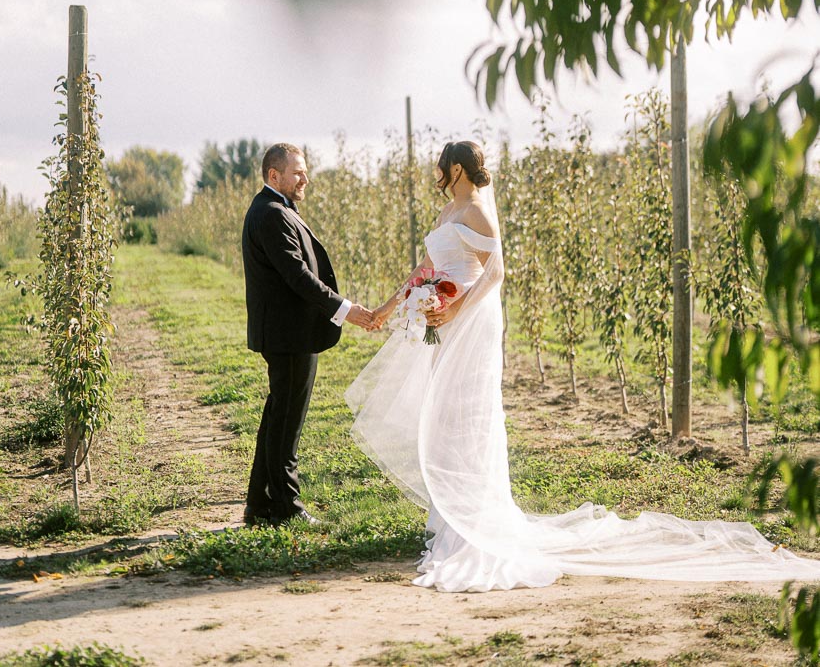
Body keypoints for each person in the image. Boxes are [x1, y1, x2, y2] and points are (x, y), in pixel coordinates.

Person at [346, 139, 820, 592]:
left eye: (440, 166)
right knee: (445, 412)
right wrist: (390, 307)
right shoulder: (448, 210)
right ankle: (453, 513)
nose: (436, 174)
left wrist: (455, 307)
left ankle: (476, 521)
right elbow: (426, 267)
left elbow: (497, 271)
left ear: (455, 169)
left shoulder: (476, 209)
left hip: (470, 316)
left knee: (467, 412)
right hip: (445, 316)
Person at [242, 142, 374, 527]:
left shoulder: (275, 209)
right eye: (298, 172)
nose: (305, 179)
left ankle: (260, 504)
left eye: (304, 171)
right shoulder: (271, 214)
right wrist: (346, 310)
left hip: (288, 333)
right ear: (274, 175)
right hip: (289, 336)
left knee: (277, 418)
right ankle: (286, 509)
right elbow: (297, 276)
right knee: (286, 424)